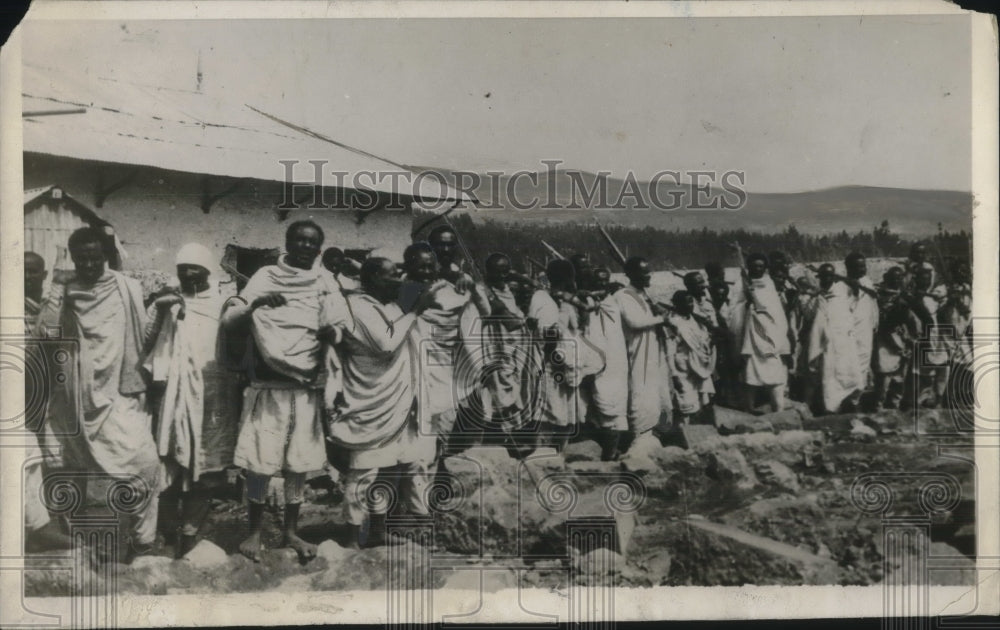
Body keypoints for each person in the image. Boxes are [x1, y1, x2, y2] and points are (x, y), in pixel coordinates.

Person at [222, 220, 351, 562]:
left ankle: (292, 531)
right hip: (269, 387)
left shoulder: (325, 281)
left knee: (299, 463)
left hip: (306, 388)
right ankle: (254, 532)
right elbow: (230, 320)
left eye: (312, 242)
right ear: (288, 242)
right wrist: (257, 304)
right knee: (260, 463)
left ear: (319, 249)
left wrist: (330, 336)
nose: (305, 246)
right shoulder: (265, 276)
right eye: (299, 239)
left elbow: (342, 326)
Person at [34, 227, 161, 561]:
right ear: (72, 258)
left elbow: (143, 336)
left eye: (94, 257)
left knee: (144, 462)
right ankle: (69, 543)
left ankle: (142, 540)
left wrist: (161, 307)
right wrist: (59, 284)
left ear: (106, 256)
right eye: (81, 258)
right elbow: (46, 331)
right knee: (67, 468)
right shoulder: (66, 289)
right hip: (74, 395)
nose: (88, 264)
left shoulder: (126, 287)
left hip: (119, 392)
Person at [325, 257, 434, 547]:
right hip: (370, 401)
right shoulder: (359, 307)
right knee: (364, 472)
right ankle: (350, 538)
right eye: (391, 275)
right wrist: (417, 310)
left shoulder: (390, 307)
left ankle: (376, 532)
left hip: (396, 401)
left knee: (390, 469)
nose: (398, 280)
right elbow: (386, 344)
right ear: (372, 277)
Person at [143, 243, 239, 557]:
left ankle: (191, 532)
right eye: (183, 269)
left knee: (208, 468)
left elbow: (236, 345)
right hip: (172, 396)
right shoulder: (166, 301)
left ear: (208, 270)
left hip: (213, 396)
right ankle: (168, 535)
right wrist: (160, 309)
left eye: (195, 268)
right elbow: (145, 342)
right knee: (169, 463)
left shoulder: (223, 303)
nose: (188, 274)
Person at [616, 257, 673, 450]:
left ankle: (658, 439)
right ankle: (639, 442)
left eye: (649, 272)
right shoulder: (623, 295)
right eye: (644, 273)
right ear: (632, 275)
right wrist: (660, 318)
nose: (649, 276)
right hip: (638, 354)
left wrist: (659, 314)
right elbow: (635, 322)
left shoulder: (644, 295)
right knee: (642, 396)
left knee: (662, 396)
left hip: (655, 353)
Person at [732, 252, 791, 413]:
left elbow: (776, 310)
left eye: (761, 266)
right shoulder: (741, 284)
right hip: (750, 338)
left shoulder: (769, 283)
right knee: (750, 375)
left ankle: (778, 410)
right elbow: (734, 309)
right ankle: (749, 408)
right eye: (754, 266)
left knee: (776, 375)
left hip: (770, 336)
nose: (757, 269)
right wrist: (747, 306)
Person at [583, 267, 629, 460]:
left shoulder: (611, 300)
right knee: (600, 407)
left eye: (604, 280)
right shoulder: (588, 300)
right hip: (598, 359)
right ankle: (605, 452)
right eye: (597, 280)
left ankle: (610, 455)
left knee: (613, 408)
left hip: (615, 360)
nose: (601, 284)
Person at [805, 264, 863, 414]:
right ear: (820, 278)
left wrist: (841, 278)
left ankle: (850, 405)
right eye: (823, 276)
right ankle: (830, 408)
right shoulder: (817, 297)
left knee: (849, 374)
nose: (827, 279)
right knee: (829, 376)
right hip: (826, 344)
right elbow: (810, 316)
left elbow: (856, 285)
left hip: (844, 343)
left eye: (830, 276)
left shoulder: (842, 292)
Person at [873, 267, 919, 410]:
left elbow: (911, 317)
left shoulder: (904, 296)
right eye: (894, 277)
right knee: (884, 374)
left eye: (900, 277)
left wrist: (911, 337)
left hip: (901, 336)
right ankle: (878, 406)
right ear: (887, 278)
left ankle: (894, 405)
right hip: (884, 337)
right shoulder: (879, 296)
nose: (897, 280)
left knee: (900, 376)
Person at [667, 290, 716, 424]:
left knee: (702, 403)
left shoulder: (696, 320)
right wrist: (674, 374)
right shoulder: (673, 323)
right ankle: (683, 433)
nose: (690, 305)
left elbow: (704, 341)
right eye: (686, 302)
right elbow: (670, 352)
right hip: (683, 370)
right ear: (677, 305)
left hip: (699, 369)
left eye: (691, 301)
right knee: (686, 405)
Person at [844, 252, 879, 394]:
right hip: (851, 334)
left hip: (866, 331)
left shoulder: (866, 282)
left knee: (864, 365)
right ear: (848, 268)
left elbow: (873, 305)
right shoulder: (843, 286)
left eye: (863, 266)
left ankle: (858, 396)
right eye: (858, 267)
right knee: (851, 367)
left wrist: (875, 324)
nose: (862, 270)